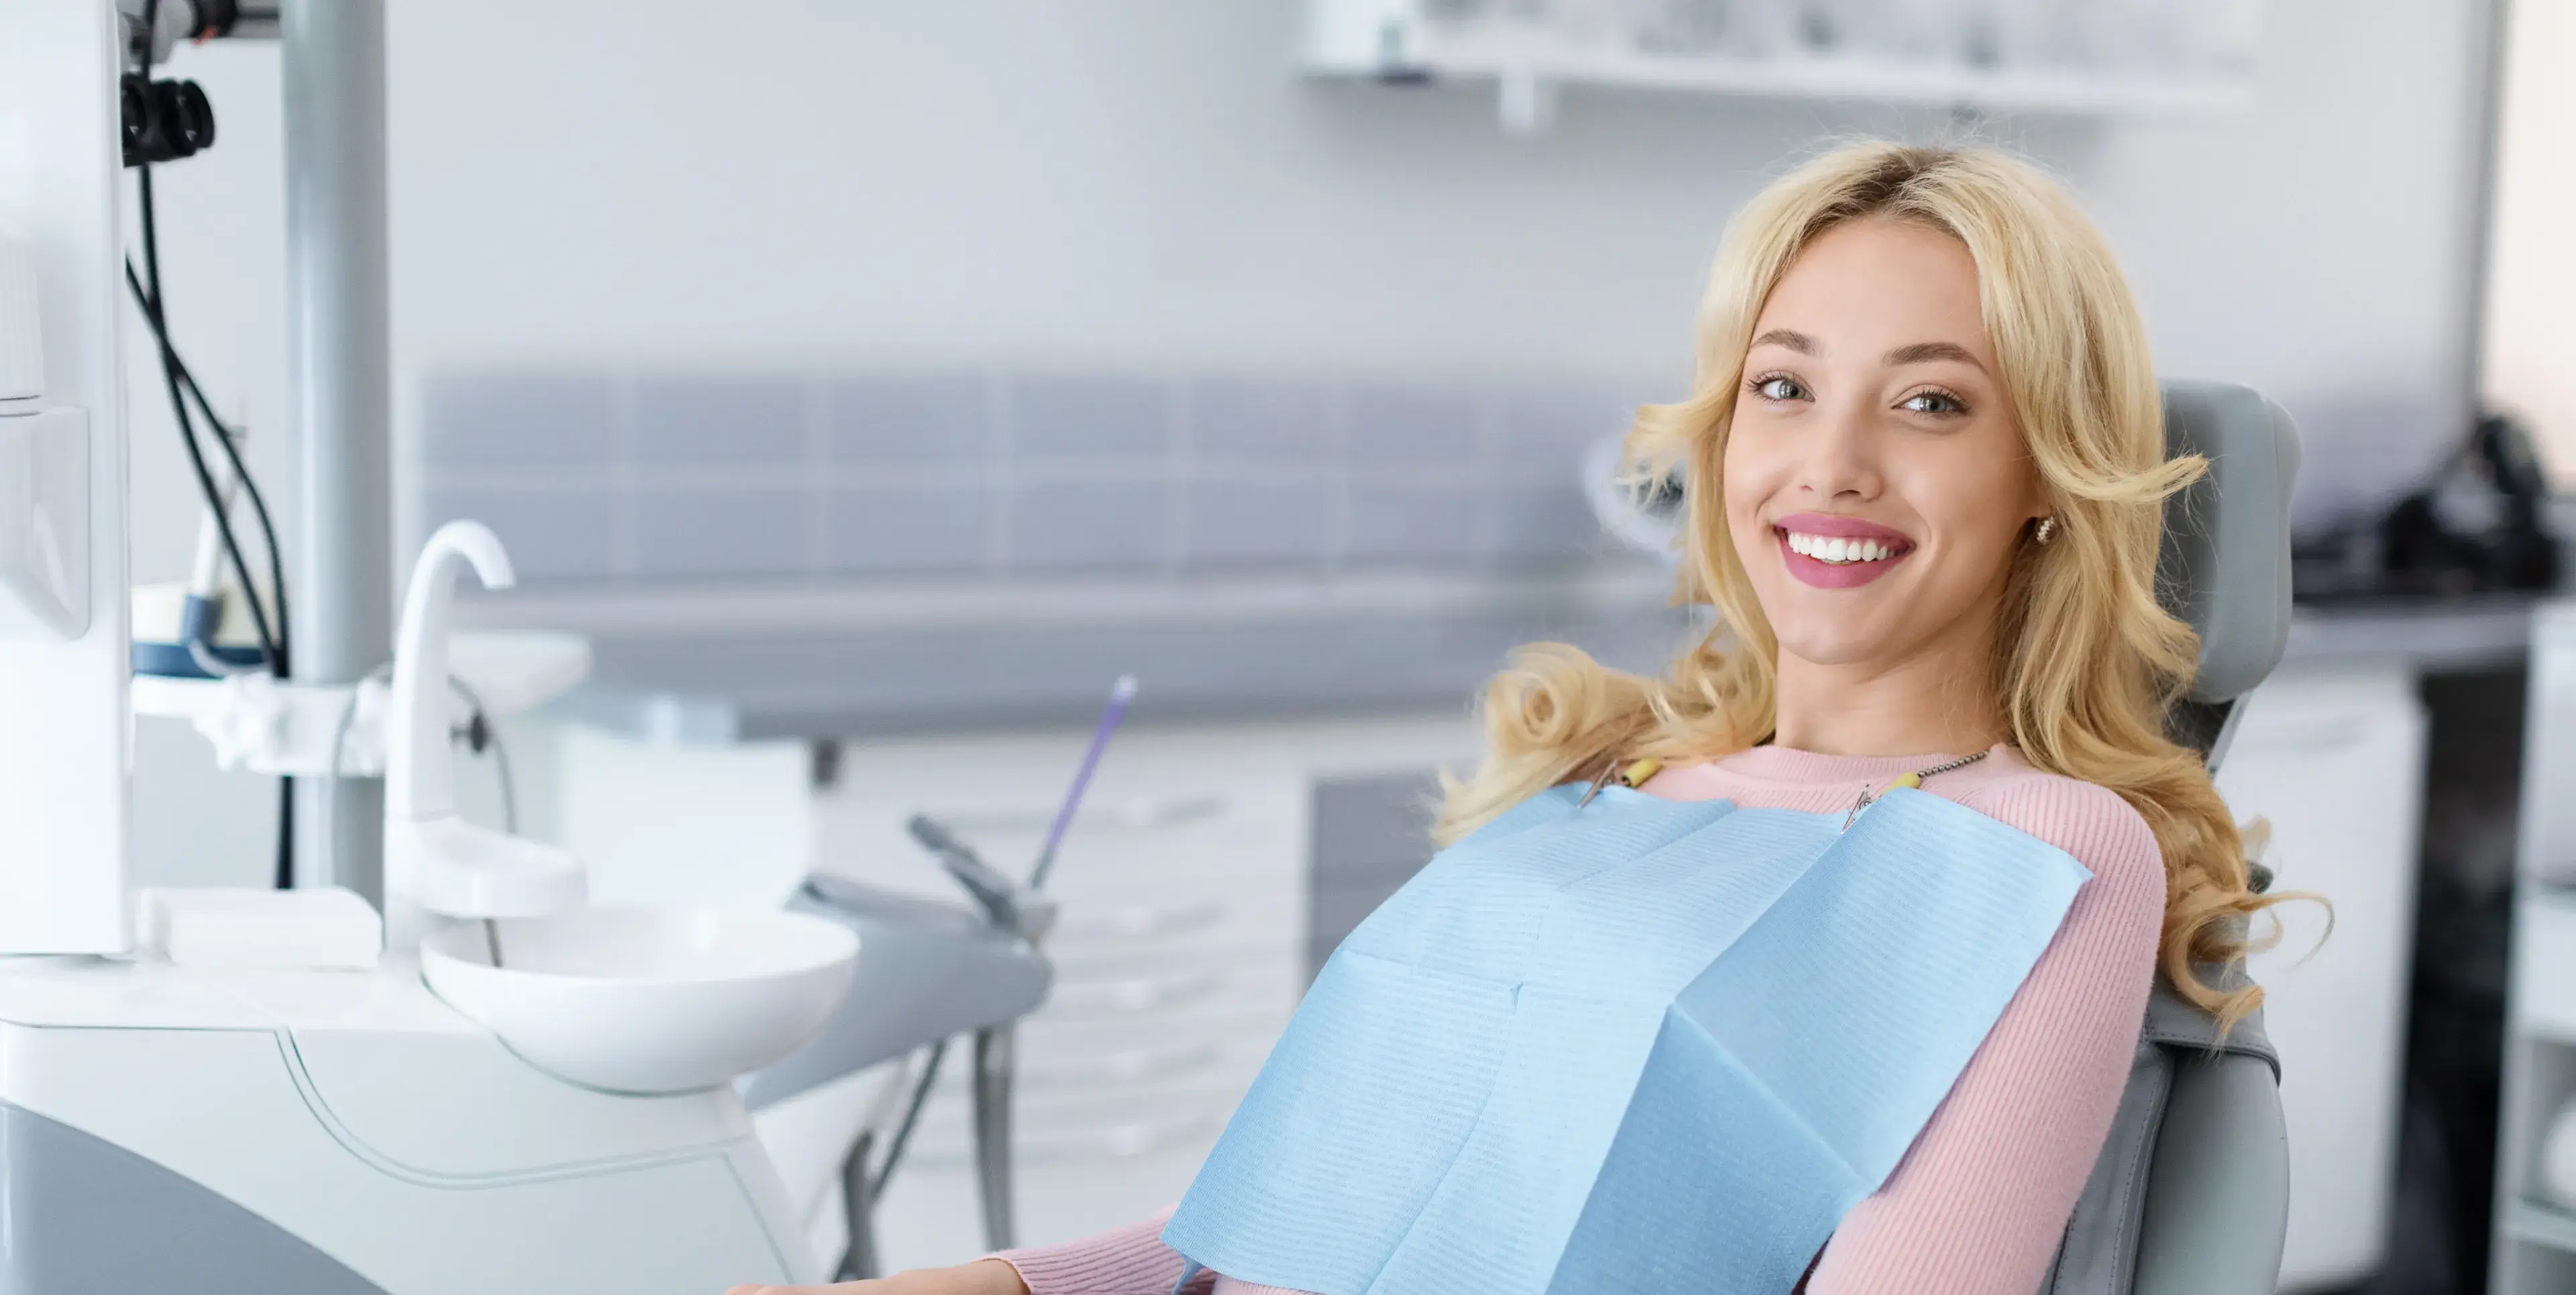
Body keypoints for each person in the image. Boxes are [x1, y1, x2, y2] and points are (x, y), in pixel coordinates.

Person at [726, 138, 2278, 1295]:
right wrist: (982, 1285)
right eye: (1784, 387)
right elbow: (1289, 1224)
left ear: (2047, 482)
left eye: (1932, 401)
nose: (1832, 464)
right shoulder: (1611, 779)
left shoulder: (2042, 848)